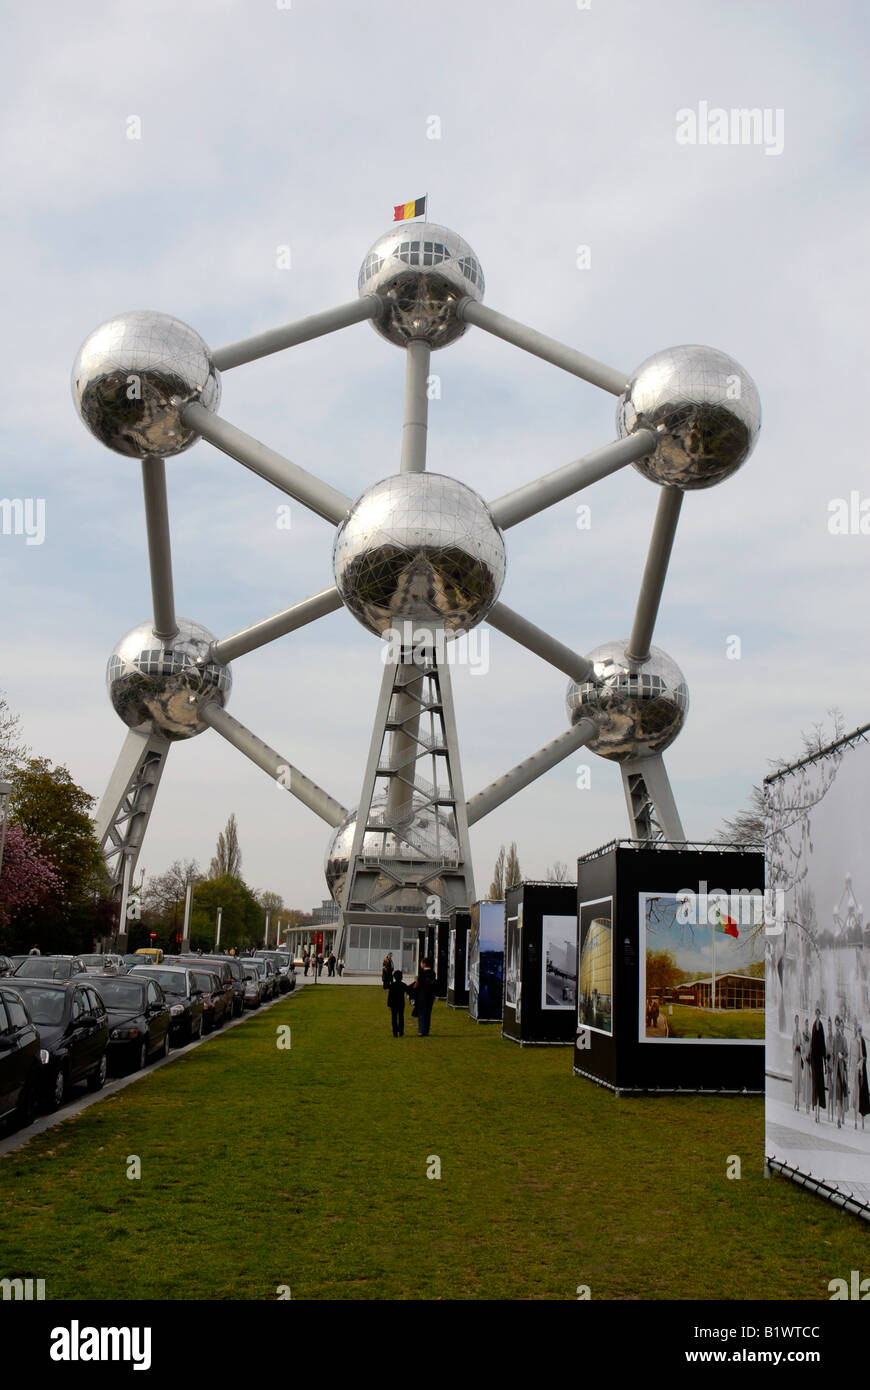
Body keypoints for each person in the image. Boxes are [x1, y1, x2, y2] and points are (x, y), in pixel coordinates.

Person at [850, 1021, 870, 1130]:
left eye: (861, 1031)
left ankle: (861, 1121)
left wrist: (861, 1063)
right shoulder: (855, 1041)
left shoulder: (862, 1041)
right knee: (856, 1096)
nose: (859, 1033)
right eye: (858, 1031)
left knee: (862, 1096)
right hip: (856, 1072)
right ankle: (856, 1121)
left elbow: (865, 1057)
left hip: (862, 1073)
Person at [810, 1005, 827, 1123]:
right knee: (815, 1084)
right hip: (814, 1060)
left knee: (820, 1084)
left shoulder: (821, 1026)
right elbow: (811, 1043)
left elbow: (823, 1044)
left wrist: (825, 1062)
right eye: (816, 1013)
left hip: (820, 1060)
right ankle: (815, 1110)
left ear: (820, 1014)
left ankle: (818, 1113)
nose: (817, 1015)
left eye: (818, 1014)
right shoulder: (813, 1026)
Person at [832, 1016, 849, 1128]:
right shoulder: (834, 1038)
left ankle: (840, 1117)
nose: (837, 1027)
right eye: (836, 1025)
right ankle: (838, 1118)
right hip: (836, 1071)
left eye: (839, 1025)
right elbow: (832, 1054)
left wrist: (842, 1056)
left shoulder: (843, 1039)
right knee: (838, 1093)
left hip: (842, 1070)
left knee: (841, 1094)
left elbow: (846, 1054)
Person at [415, 956, 437, 1036]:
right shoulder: (433, 973)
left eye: (421, 963)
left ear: (424, 964)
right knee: (428, 1013)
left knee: (421, 1013)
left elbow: (418, 984)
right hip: (430, 995)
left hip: (422, 995)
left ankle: (421, 1030)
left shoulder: (422, 973)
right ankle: (426, 1031)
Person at [386, 969, 410, 1036]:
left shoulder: (392, 985)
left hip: (393, 1003)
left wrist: (389, 1004)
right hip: (401, 1003)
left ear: (394, 977)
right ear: (401, 977)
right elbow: (409, 991)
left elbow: (389, 996)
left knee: (394, 1018)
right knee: (401, 1017)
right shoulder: (403, 985)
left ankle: (395, 1033)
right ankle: (401, 1032)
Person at [792, 1014, 802, 1111]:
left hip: (799, 1058)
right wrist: (795, 1048)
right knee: (795, 1078)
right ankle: (795, 1100)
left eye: (798, 1020)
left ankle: (798, 1101)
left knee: (799, 1078)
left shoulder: (800, 1033)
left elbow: (802, 1044)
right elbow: (792, 1045)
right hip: (795, 1057)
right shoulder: (794, 1032)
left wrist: (800, 1048)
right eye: (796, 1021)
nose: (797, 1022)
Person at [826, 1016, 835, 1122]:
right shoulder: (827, 1038)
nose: (829, 1027)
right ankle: (829, 1113)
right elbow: (826, 1051)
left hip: (833, 1065)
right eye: (828, 1025)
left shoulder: (833, 1038)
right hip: (829, 1066)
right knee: (829, 1090)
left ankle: (832, 1113)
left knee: (832, 1090)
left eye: (830, 1025)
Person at [801, 1019, 812, 1113]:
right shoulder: (803, 1034)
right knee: (805, 1082)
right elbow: (802, 1049)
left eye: (808, 1023)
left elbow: (811, 1047)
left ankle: (809, 1103)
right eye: (806, 1023)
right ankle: (805, 1103)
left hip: (810, 1064)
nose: (807, 1025)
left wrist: (810, 1057)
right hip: (805, 1063)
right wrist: (805, 1057)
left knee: (809, 1083)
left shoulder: (810, 1034)